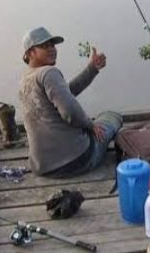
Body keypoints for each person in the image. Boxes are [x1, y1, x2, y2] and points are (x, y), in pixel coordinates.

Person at [18, 26, 122, 177]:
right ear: (29, 53)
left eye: (52, 45)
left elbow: (66, 93)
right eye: (44, 46)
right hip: (75, 161)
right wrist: (90, 125)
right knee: (112, 117)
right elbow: (70, 111)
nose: (51, 49)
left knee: (95, 122)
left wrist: (92, 69)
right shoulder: (49, 73)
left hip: (42, 167)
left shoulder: (25, 80)